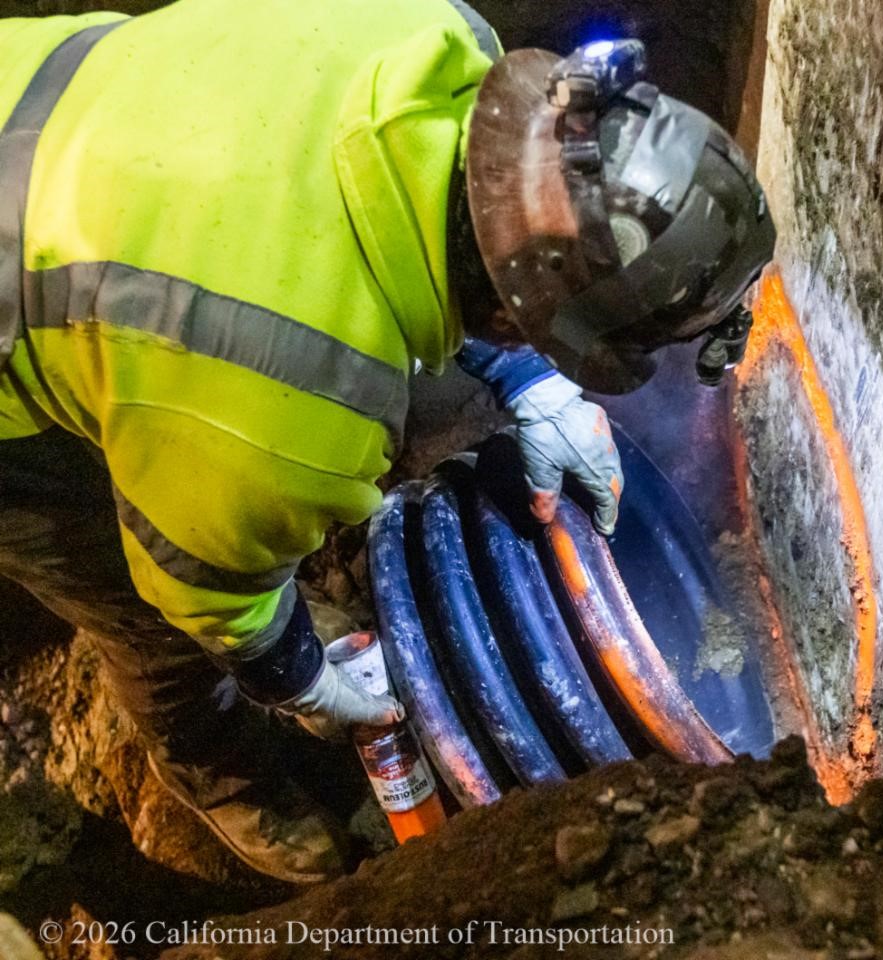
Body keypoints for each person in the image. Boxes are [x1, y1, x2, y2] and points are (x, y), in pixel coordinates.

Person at [0, 0, 775, 881]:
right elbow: (200, 591)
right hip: (25, 322)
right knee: (144, 612)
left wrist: (531, 381)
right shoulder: (287, 422)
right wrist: (296, 675)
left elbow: (440, 209)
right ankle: (216, 776)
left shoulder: (432, 34)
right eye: (545, 343)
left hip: (27, 92)